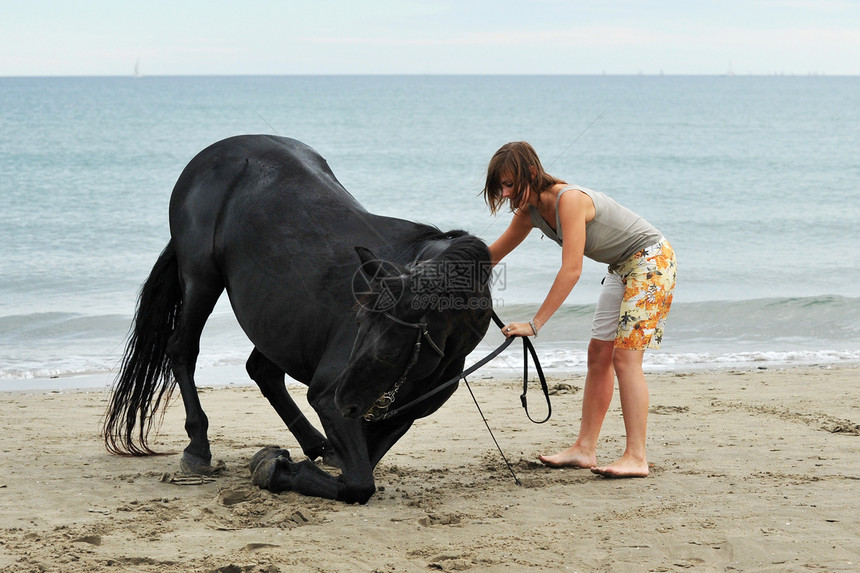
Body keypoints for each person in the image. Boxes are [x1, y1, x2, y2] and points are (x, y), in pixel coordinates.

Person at [482, 141, 676, 478]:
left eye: (510, 184)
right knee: (597, 355)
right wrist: (437, 270)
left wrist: (535, 323)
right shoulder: (528, 213)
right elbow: (491, 256)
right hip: (621, 267)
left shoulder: (568, 200)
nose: (506, 193)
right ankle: (585, 449)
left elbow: (571, 270)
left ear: (531, 173)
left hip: (651, 261)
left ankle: (636, 456)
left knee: (624, 358)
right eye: (501, 186)